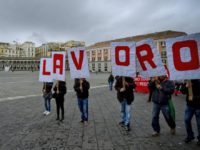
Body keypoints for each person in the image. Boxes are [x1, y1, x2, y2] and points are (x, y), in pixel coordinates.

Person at [180, 79, 200, 145]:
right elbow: (182, 91)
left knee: (199, 123)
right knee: (186, 120)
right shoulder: (188, 81)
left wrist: (195, 97)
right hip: (189, 105)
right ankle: (190, 135)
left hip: (198, 106)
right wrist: (186, 85)